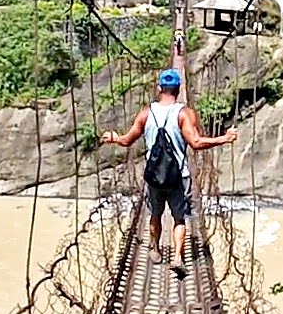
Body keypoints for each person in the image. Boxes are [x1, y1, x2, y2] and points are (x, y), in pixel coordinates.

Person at [100, 69, 238, 278]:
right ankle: (177, 257)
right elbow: (196, 142)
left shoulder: (146, 113)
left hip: (154, 177)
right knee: (179, 218)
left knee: (155, 214)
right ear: (179, 89)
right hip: (178, 176)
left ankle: (155, 248)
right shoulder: (184, 114)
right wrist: (224, 139)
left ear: (159, 88)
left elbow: (127, 140)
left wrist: (114, 138)